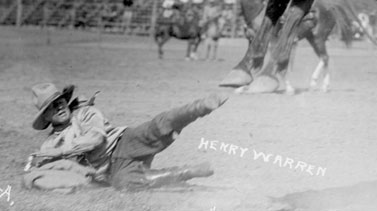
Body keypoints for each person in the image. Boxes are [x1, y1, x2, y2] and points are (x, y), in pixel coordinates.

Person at [26, 82, 227, 191]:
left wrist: (61, 152)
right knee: (125, 183)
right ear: (45, 116)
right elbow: (46, 170)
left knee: (155, 128)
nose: (59, 106)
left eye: (60, 101)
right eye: (52, 106)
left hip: (123, 143)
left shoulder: (85, 113)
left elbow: (95, 139)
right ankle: (187, 172)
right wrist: (39, 168)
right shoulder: (49, 144)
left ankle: (199, 107)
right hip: (112, 170)